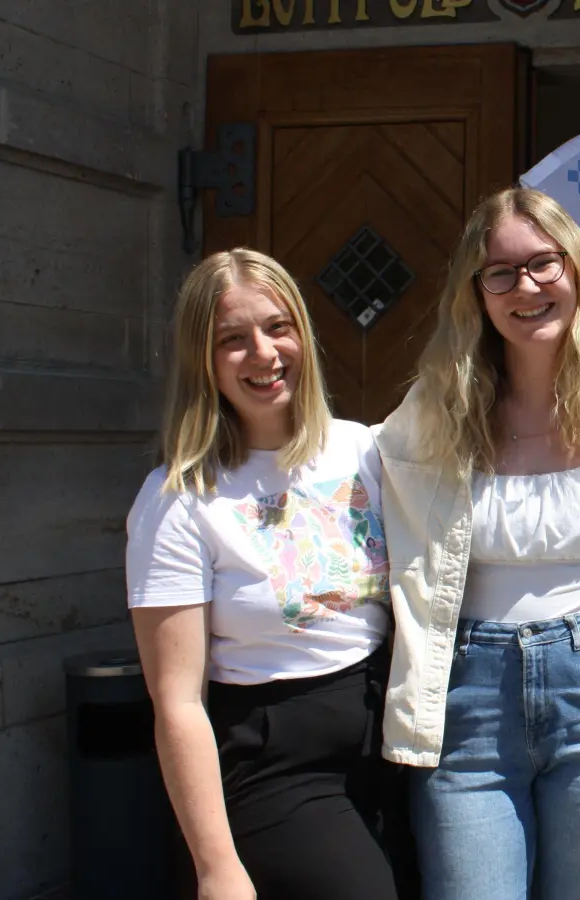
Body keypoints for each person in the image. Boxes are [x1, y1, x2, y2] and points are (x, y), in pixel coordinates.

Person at [373, 187, 580, 900]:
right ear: (477, 293)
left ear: (576, 270)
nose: (526, 287)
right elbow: (355, 485)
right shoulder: (436, 409)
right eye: (501, 272)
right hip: (466, 697)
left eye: (543, 264)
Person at [126, 249, 398, 900]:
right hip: (276, 762)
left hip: (386, 739)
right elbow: (178, 702)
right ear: (203, 359)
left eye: (278, 327)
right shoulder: (178, 500)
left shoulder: (363, 449)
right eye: (233, 340)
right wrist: (216, 868)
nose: (264, 353)